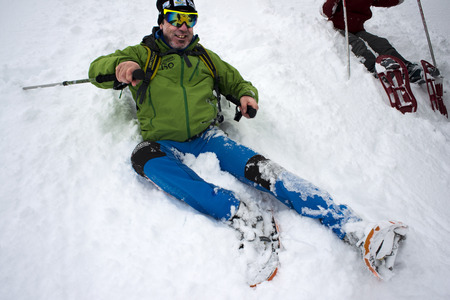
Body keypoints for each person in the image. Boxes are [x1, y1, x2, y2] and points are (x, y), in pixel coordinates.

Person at [89, 0, 407, 281]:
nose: (183, 27)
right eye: (175, 18)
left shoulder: (206, 59)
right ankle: (241, 213)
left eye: (190, 19)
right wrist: (121, 67)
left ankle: (356, 229)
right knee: (142, 158)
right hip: (163, 143)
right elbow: (96, 70)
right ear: (162, 21)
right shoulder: (142, 55)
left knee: (269, 173)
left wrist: (245, 96)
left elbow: (238, 81)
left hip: (208, 139)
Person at [321, 0, 423, 83]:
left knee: (381, 43)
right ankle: (374, 68)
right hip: (338, 28)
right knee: (357, 44)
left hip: (357, 29)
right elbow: (325, 12)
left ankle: (405, 67)